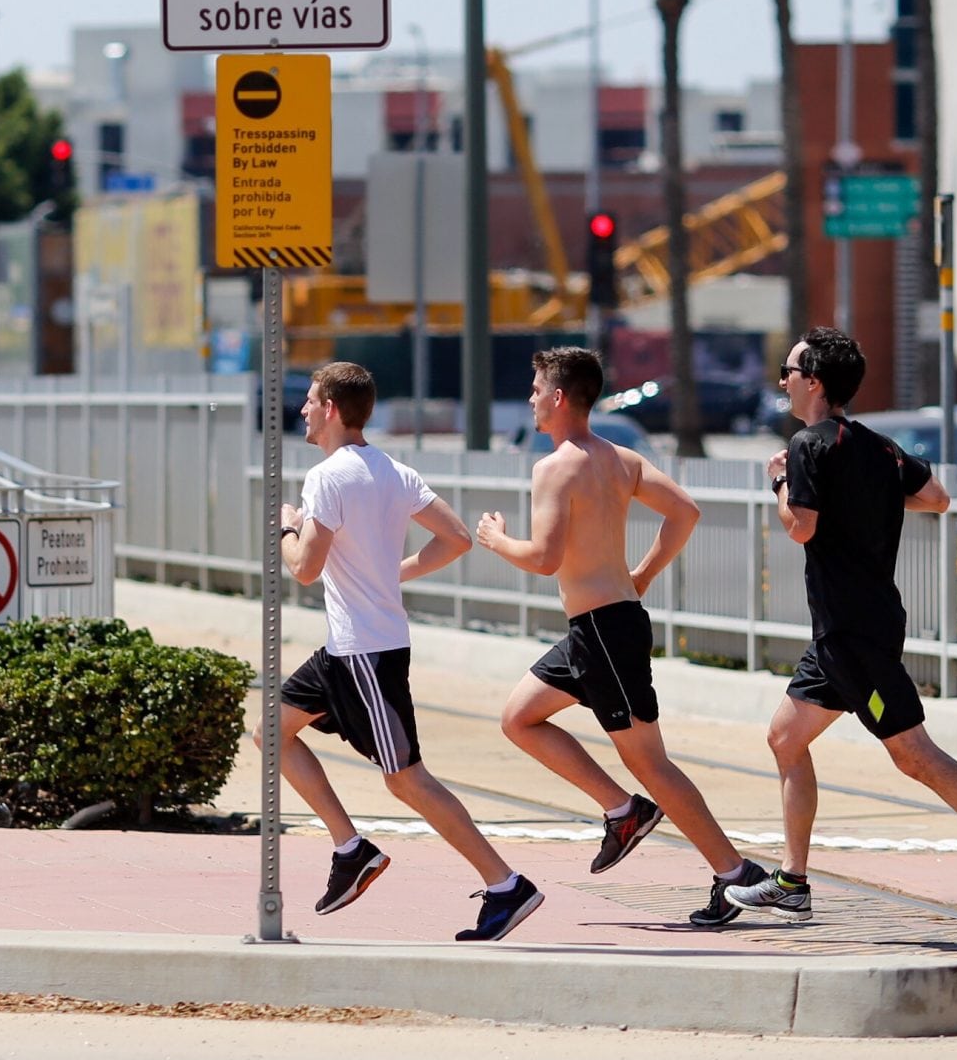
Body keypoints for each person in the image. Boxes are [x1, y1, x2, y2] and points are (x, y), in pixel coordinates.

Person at [727, 328, 957, 935]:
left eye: (790, 369)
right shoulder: (878, 448)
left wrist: (778, 481)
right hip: (850, 628)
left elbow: (799, 527)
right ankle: (793, 883)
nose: (782, 380)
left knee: (913, 756)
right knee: (784, 738)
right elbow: (935, 497)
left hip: (853, 632)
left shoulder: (805, 446)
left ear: (815, 382)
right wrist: (865, 500)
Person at [476, 347, 767, 927]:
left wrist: (496, 539)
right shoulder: (620, 458)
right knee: (519, 718)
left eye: (536, 390)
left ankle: (737, 876)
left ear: (559, 398)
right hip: (599, 628)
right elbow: (684, 511)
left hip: (606, 631)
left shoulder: (555, 465)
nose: (531, 400)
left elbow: (543, 558)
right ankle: (621, 811)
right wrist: (643, 575)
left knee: (652, 763)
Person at [261, 361, 544, 942]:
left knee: (406, 779)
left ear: (333, 409)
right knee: (271, 732)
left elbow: (306, 570)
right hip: (349, 648)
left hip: (366, 652)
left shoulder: (326, 478)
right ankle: (351, 848)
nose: (304, 411)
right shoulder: (393, 470)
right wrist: (395, 573)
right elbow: (458, 538)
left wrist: (287, 527)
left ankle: (505, 884)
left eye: (312, 401)